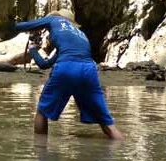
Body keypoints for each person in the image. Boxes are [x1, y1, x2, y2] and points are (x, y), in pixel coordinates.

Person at [15, 9, 124, 140]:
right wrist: (33, 50)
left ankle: (40, 152)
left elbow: (25, 26)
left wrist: (8, 27)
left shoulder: (54, 19)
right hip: (89, 70)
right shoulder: (79, 35)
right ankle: (121, 145)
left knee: (42, 113)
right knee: (106, 122)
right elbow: (45, 64)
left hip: (66, 68)